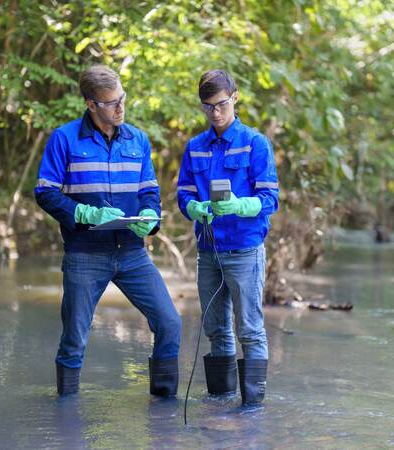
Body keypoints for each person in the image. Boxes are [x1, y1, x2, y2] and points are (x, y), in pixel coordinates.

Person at [34, 65, 181, 397]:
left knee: (170, 323)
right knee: (75, 336)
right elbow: (45, 192)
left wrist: (150, 215)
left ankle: (164, 412)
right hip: (85, 254)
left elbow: (149, 191)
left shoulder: (138, 140)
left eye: (122, 99)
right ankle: (65, 420)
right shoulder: (65, 139)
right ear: (91, 104)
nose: (120, 107)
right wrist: (84, 213)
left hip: (132, 253)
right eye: (111, 102)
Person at [177, 70, 279, 406]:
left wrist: (239, 205)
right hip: (208, 251)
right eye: (208, 107)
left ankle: (252, 408)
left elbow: (270, 200)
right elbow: (184, 195)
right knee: (216, 330)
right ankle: (220, 403)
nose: (215, 112)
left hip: (245, 250)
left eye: (221, 104)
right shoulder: (195, 148)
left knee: (249, 329)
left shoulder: (255, 143)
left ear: (234, 97)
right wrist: (195, 208)